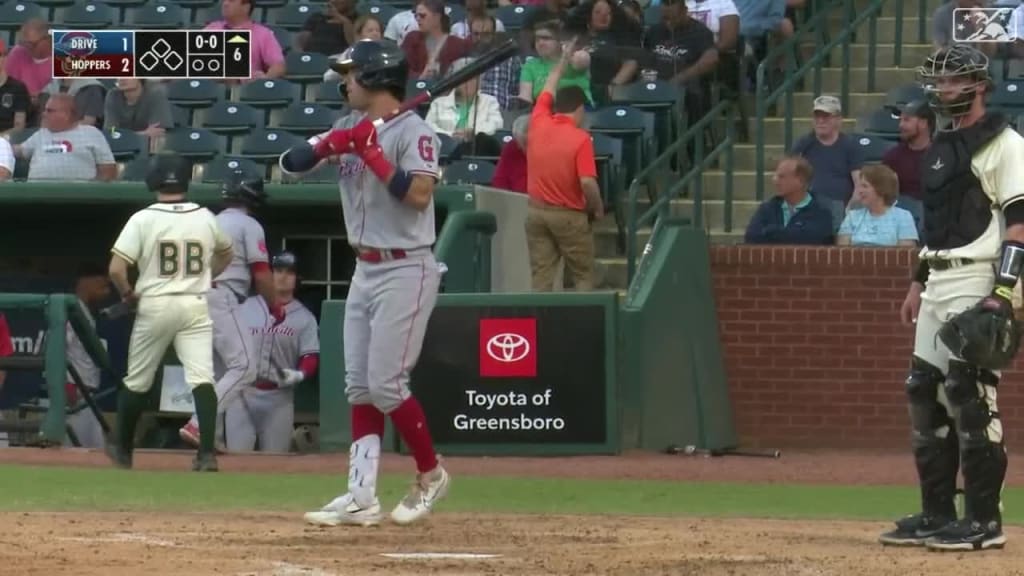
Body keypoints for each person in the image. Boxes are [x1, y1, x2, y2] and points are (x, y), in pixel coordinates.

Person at [280, 39, 449, 526]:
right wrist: (328, 146)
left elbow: (417, 195)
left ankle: (431, 474)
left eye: (352, 73)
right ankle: (361, 495)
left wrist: (373, 153)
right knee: (358, 386)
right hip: (365, 266)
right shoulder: (347, 126)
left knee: (387, 384)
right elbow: (291, 164)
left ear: (376, 79)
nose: (345, 80)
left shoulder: (415, 132)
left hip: (406, 265)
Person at [879, 44, 1024, 552]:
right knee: (924, 389)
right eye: (939, 83)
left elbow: (1020, 225)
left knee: (969, 392)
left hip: (978, 276)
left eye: (954, 81)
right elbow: (935, 225)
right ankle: (936, 513)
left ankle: (984, 521)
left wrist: (1004, 293)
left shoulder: (1006, 144)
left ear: (980, 85)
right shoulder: (943, 145)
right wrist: (918, 281)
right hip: (939, 278)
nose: (943, 91)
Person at [105, 155, 234, 471]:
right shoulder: (204, 216)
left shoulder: (143, 218)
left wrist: (127, 293)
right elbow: (226, 253)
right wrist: (207, 273)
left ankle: (123, 450)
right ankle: (206, 455)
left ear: (154, 180)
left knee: (137, 381)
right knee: (202, 379)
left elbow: (117, 269)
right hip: (194, 302)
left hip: (156, 304)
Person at [179, 171, 283, 449]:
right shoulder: (248, 224)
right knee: (245, 367)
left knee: (217, 371)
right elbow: (261, 274)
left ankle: (209, 435)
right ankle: (199, 424)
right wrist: (276, 306)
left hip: (191, 297)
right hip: (220, 296)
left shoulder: (206, 221)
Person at [524, 39, 602, 291]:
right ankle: (582, 327)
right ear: (579, 110)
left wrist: (562, 60)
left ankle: (542, 326)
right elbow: (587, 182)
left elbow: (548, 84)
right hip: (568, 216)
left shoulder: (538, 121)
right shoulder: (581, 139)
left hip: (535, 213)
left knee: (542, 276)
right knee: (582, 275)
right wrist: (597, 209)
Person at [223, 252, 320, 453]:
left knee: (276, 462)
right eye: (278, 271)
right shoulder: (244, 308)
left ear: (297, 279)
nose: (283, 276)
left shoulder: (305, 318)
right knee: (237, 460)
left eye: (290, 272)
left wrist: (299, 374)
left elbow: (310, 356)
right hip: (242, 394)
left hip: (279, 397)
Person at [64, 263, 113, 449]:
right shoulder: (69, 309)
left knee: (94, 450)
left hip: (86, 395)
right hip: (73, 393)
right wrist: (65, 384)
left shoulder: (83, 311)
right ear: (88, 282)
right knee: (68, 454)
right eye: (103, 285)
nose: (106, 292)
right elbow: (56, 348)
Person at [743, 155, 834, 245]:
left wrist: (770, 231)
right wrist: (791, 233)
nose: (774, 180)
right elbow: (751, 237)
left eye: (781, 177)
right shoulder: (767, 208)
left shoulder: (821, 211)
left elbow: (810, 239)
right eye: (775, 176)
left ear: (800, 181)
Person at [836, 165, 918, 247]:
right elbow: (842, 254)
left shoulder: (903, 217)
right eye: (860, 186)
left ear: (881, 189)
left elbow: (905, 255)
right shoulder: (852, 217)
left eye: (865, 186)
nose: (860, 191)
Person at [492, 114, 529, 193]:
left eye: (524, 143)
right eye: (518, 142)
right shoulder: (512, 147)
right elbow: (499, 179)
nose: (519, 146)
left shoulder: (546, 151)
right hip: (513, 199)